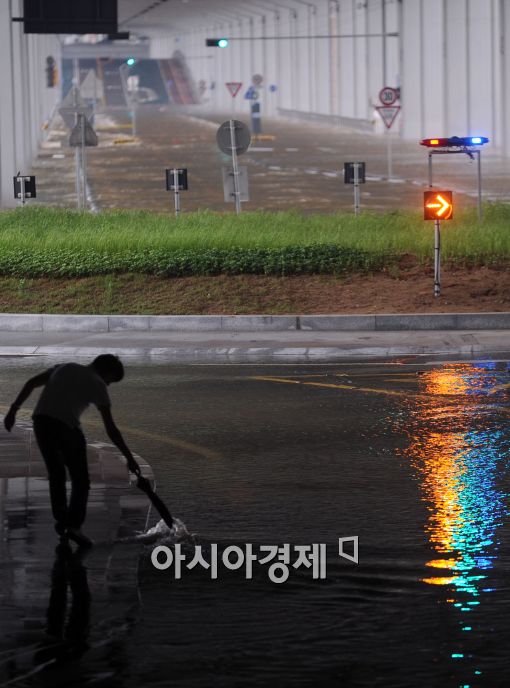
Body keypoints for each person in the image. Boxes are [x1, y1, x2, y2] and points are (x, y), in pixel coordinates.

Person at [3, 354, 140, 548]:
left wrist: (13, 411)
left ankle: (62, 522)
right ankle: (74, 526)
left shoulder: (63, 367)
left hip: (41, 423)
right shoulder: (98, 384)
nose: (108, 385)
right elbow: (111, 429)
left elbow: (32, 383)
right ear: (107, 373)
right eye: (111, 380)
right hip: (66, 427)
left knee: (56, 474)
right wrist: (128, 457)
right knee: (80, 479)